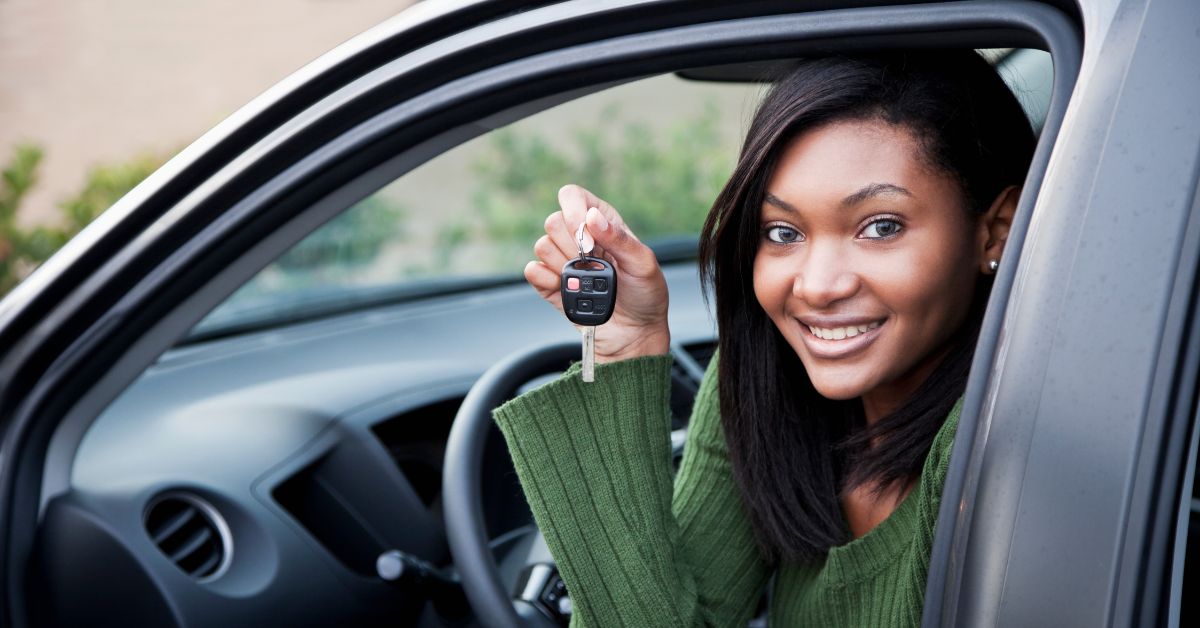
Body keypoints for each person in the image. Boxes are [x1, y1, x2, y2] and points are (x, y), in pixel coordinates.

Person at [493, 50, 1035, 627]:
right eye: (783, 232)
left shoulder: (997, 437)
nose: (819, 286)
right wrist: (626, 346)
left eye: (880, 227)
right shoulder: (764, 385)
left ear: (994, 231)